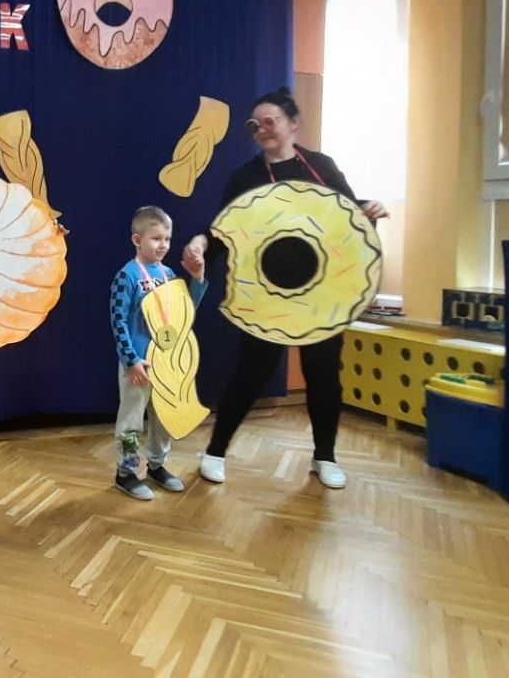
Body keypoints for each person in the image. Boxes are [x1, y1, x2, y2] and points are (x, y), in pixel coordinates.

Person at [181, 88, 387, 490]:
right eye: (254, 125)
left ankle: (325, 457)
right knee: (251, 373)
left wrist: (369, 209)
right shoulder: (245, 178)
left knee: (324, 375)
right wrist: (202, 242)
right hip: (266, 295)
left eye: (269, 121)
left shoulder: (322, 167)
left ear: (294, 123)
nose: (261, 129)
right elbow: (224, 230)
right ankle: (215, 452)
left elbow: (347, 213)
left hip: (322, 293)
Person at [108, 206, 207, 499]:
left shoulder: (169, 274)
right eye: (156, 238)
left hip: (166, 364)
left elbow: (183, 315)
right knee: (131, 422)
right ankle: (125, 473)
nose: (163, 244)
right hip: (139, 365)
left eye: (167, 239)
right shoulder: (126, 276)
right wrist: (131, 360)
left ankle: (157, 465)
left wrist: (197, 279)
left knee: (164, 418)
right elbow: (118, 322)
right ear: (137, 240)